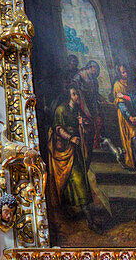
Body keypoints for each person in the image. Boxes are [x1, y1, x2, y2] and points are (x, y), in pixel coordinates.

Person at [47, 86, 99, 229]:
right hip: (64, 150)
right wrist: (70, 138)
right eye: (74, 94)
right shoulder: (61, 110)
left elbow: (86, 127)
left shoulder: (77, 110)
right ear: (68, 96)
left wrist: (83, 125)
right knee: (77, 180)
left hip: (76, 149)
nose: (77, 97)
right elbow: (58, 128)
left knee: (78, 179)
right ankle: (90, 220)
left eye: (77, 94)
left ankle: (81, 213)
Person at [112, 64, 136, 168]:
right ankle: (131, 162)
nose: (125, 74)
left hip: (132, 112)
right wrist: (128, 116)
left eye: (126, 71)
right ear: (119, 74)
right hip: (124, 115)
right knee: (129, 136)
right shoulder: (117, 85)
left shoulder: (130, 83)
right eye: (123, 72)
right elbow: (121, 104)